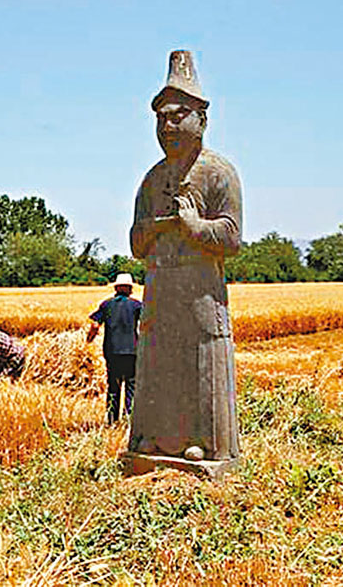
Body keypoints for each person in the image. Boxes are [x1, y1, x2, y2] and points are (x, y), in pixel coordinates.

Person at [127, 50, 242, 463]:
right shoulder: (152, 178)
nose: (169, 125)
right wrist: (155, 228)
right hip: (160, 287)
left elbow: (231, 238)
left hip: (199, 289)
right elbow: (135, 244)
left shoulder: (217, 172)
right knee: (157, 360)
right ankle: (154, 439)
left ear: (202, 120)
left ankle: (206, 443)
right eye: (161, 118)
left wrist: (194, 227)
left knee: (201, 362)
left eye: (178, 115)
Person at [87, 274, 143, 424]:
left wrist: (89, 340)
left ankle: (112, 419)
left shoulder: (106, 304)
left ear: (116, 288)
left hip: (112, 351)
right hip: (131, 350)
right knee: (131, 384)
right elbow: (147, 325)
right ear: (130, 288)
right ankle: (129, 418)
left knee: (113, 385)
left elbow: (94, 324)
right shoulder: (137, 305)